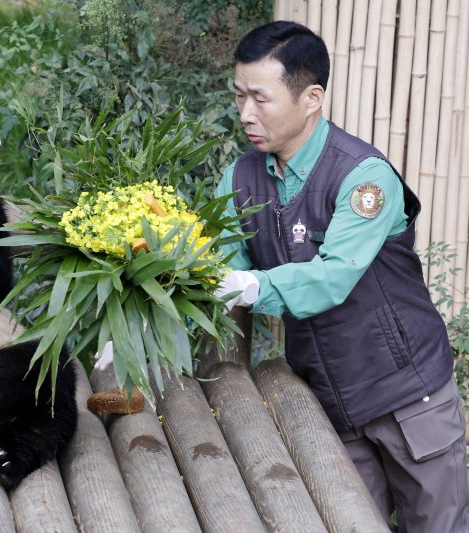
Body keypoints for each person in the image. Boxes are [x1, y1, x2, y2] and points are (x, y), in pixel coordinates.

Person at [214, 20, 469, 532]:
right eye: (239, 95)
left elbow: (334, 277)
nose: (245, 113)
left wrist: (250, 287)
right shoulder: (240, 177)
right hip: (329, 401)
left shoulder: (362, 175)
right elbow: (224, 265)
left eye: (260, 98)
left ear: (311, 98)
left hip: (407, 395)